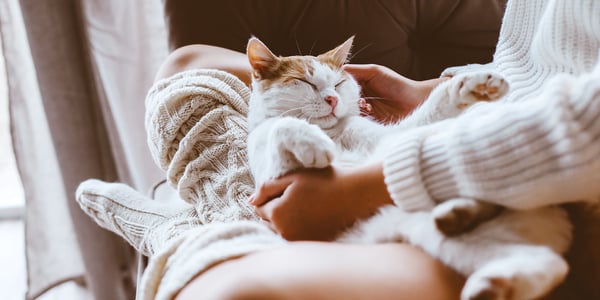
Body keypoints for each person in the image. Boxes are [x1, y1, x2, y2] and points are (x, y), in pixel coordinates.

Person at [76, 0, 600, 299]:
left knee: (235, 295)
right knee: (186, 67)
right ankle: (228, 212)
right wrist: (433, 93)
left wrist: (362, 189)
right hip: (505, 120)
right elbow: (550, 68)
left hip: (547, 176)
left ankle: (190, 226)